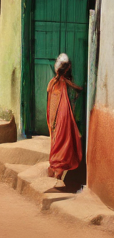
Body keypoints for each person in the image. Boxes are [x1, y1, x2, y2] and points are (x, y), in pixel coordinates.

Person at [47, 53, 83, 182]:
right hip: (63, 118)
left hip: (57, 119)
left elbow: (50, 103)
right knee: (64, 139)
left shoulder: (53, 83)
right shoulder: (64, 84)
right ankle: (58, 168)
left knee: (58, 138)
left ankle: (56, 168)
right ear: (67, 69)